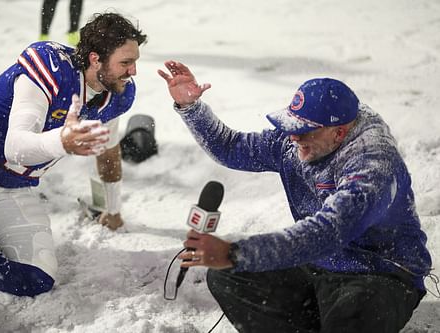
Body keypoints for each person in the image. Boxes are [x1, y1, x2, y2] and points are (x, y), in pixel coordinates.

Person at [158, 61, 432, 333]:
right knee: (228, 276)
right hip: (317, 264)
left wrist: (235, 252)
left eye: (304, 132)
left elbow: (329, 231)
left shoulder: (371, 163)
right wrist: (191, 108)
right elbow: (231, 148)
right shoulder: (295, 139)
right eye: (291, 127)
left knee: (352, 313)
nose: (294, 138)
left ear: (339, 133)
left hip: (379, 274)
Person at [0, 12, 147, 297]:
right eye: (126, 62)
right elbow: (15, 147)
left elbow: (109, 150)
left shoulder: (118, 93)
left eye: (135, 61)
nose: (133, 71)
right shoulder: (51, 66)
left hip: (11, 186)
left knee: (36, 277)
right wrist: (61, 141)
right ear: (95, 58)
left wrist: (112, 210)